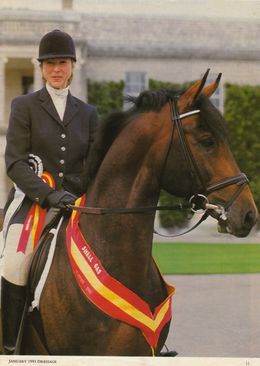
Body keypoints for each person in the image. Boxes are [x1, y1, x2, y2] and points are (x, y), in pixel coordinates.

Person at [1, 29, 99, 354]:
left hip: (77, 205)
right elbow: (15, 164)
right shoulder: (24, 105)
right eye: (50, 63)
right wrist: (51, 196)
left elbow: (94, 165)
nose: (56, 69)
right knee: (14, 264)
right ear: (41, 68)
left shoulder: (88, 113)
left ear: (73, 64)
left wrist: (76, 194)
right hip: (32, 204)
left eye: (62, 62)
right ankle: (9, 346)